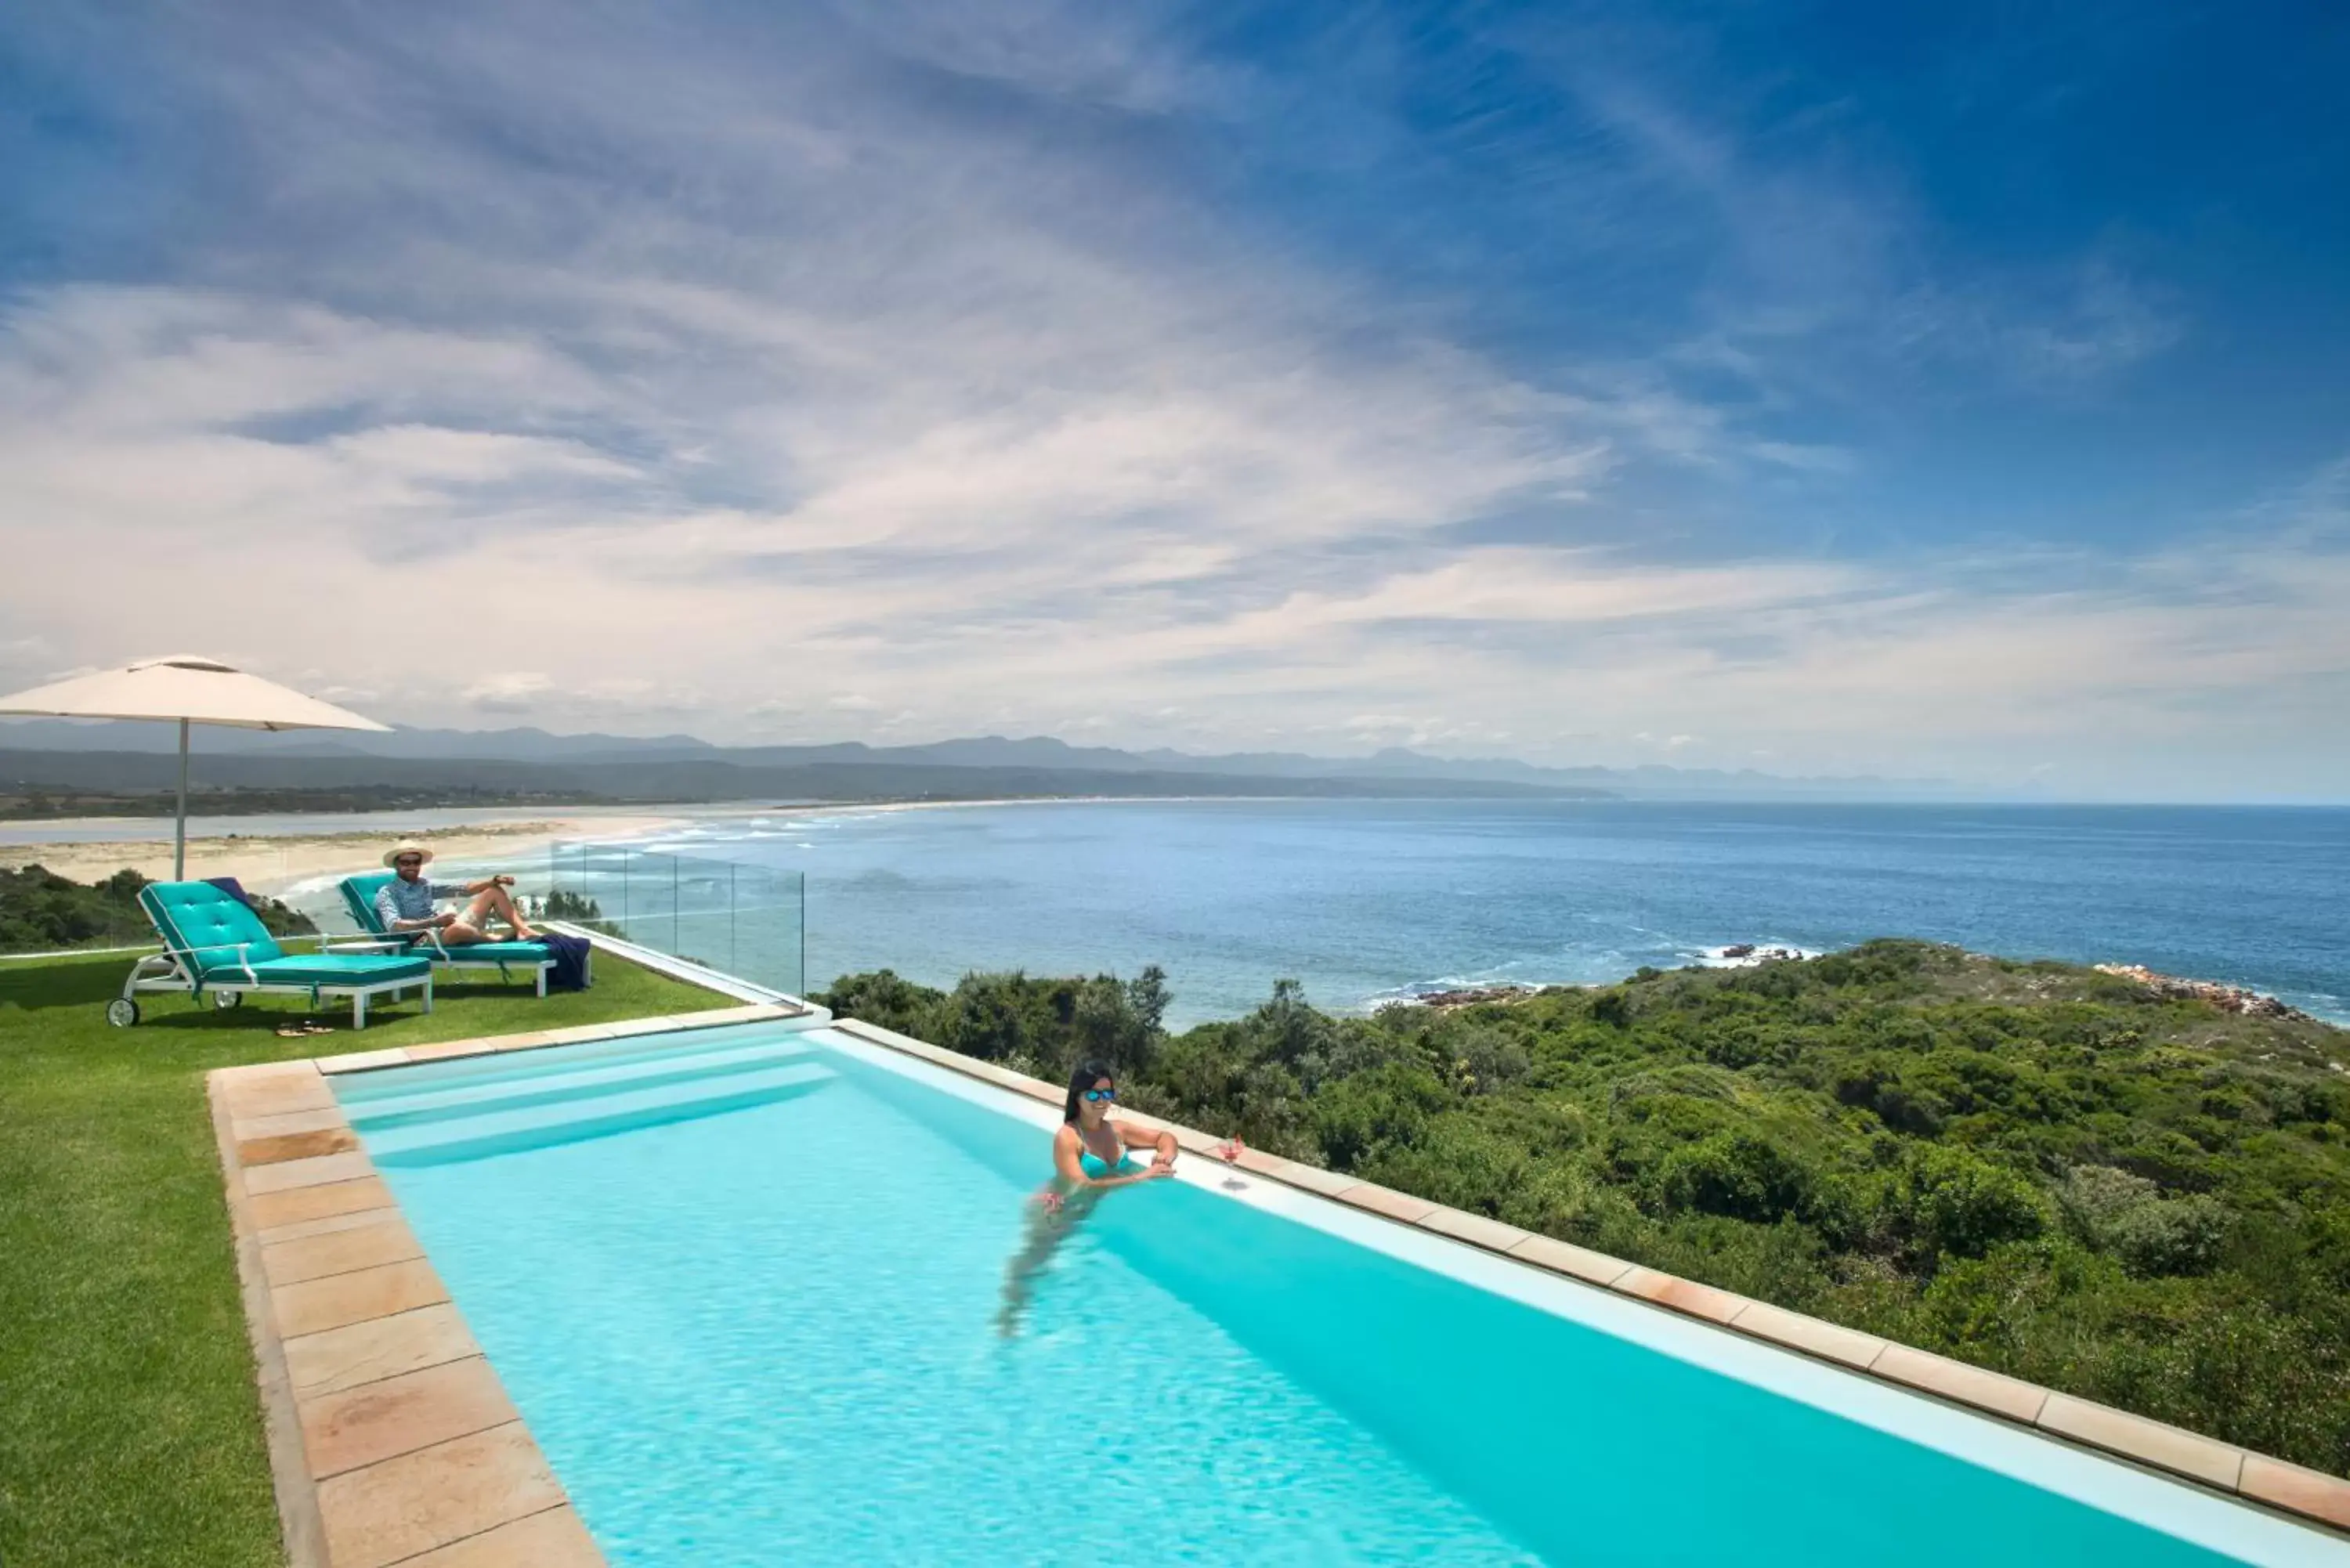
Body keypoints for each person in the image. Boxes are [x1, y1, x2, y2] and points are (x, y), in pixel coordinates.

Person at [996, 1060, 1176, 1335]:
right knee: (1033, 1263)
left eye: (1107, 1094)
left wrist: (1166, 1155)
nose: (1102, 1101)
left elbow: (1166, 1136)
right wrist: (1143, 1176)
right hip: (1056, 1209)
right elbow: (1085, 1186)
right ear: (1077, 1097)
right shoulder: (1068, 1138)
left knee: (1052, 1267)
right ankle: (1006, 1318)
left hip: (1081, 1210)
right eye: (1093, 1094)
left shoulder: (1117, 1130)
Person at [374, 841, 543, 945]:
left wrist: (493, 881)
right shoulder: (388, 892)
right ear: (396, 865)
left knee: (493, 892)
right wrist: (434, 922)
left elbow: (461, 890)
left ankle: (523, 930)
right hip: (424, 939)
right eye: (406, 862)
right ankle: (497, 939)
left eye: (416, 862)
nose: (412, 867)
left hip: (445, 926)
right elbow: (394, 926)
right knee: (458, 929)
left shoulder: (423, 885)